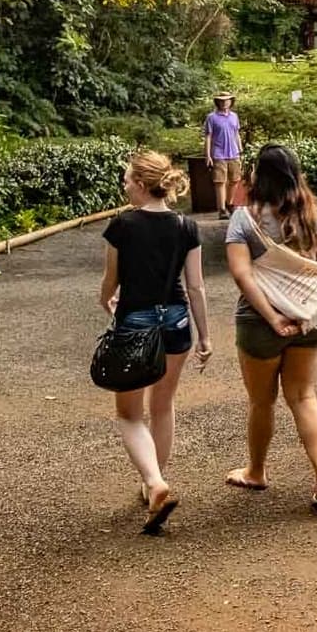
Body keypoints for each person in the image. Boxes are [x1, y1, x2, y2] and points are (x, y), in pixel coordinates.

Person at [223, 144, 317, 517]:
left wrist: (273, 318)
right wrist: (307, 315)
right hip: (309, 322)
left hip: (260, 323)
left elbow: (242, 275)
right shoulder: (316, 218)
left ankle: (256, 471)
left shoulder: (246, 219)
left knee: (262, 401)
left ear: (260, 176)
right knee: (304, 397)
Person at [98, 150, 210, 535]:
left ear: (143, 186)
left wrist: (105, 301)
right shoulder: (185, 226)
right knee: (163, 406)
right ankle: (153, 484)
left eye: (128, 179)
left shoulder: (122, 225)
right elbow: (195, 286)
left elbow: (112, 280)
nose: (125, 185)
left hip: (135, 321)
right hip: (177, 321)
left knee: (129, 414)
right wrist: (206, 336)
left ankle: (155, 482)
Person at [204, 93, 244, 221]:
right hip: (219, 153)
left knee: (235, 180)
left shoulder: (234, 116)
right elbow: (208, 137)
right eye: (221, 101)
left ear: (231, 102)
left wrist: (241, 149)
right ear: (217, 102)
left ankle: (229, 204)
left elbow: (236, 133)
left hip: (234, 153)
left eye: (227, 100)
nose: (224, 103)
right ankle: (221, 209)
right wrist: (208, 155)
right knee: (220, 182)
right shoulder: (211, 117)